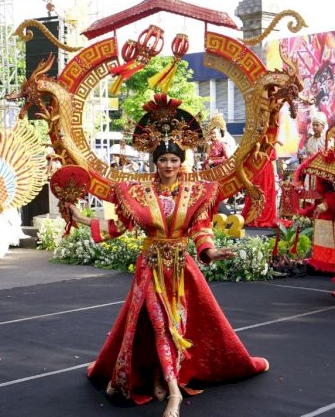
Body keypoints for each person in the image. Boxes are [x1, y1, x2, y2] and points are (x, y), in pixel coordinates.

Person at [62, 94, 268, 417]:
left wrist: (210, 251)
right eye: (163, 160)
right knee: (160, 327)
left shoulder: (196, 191)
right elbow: (121, 225)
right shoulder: (138, 193)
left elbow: (200, 228)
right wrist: (83, 218)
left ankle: (160, 375)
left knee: (177, 328)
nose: (169, 165)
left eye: (174, 159)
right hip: (150, 269)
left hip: (181, 271)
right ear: (154, 162)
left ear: (181, 160)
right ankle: (174, 394)